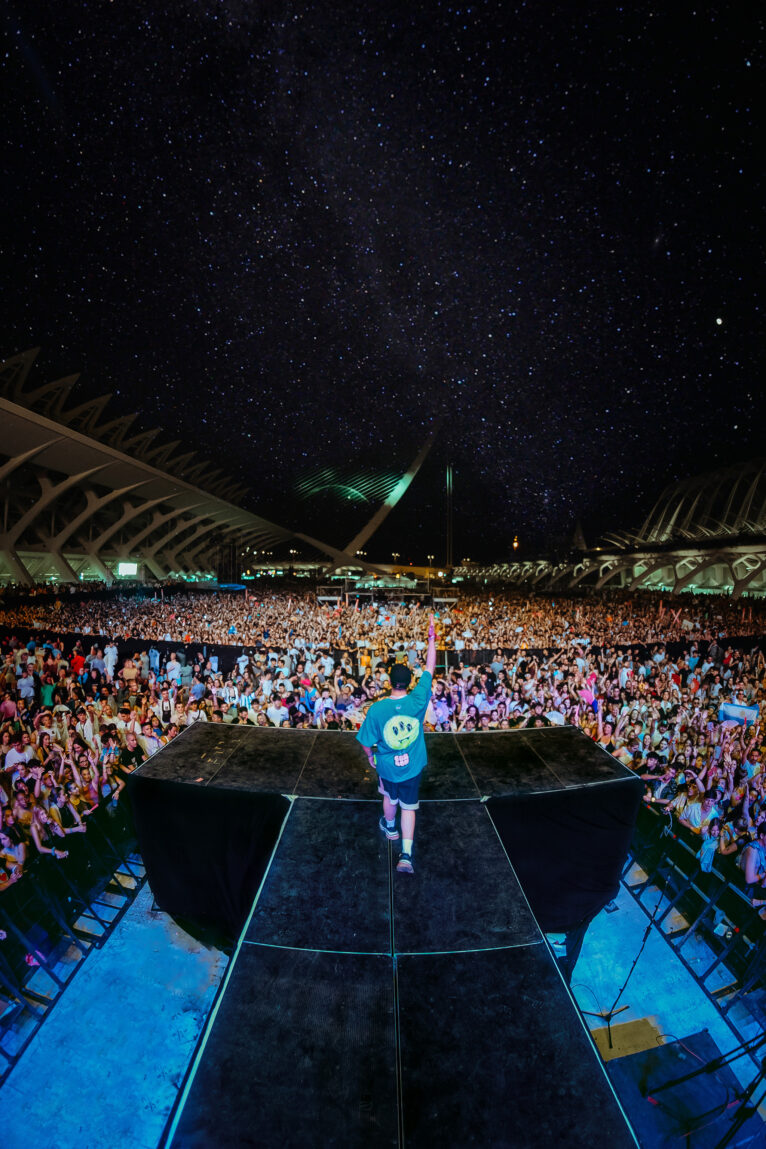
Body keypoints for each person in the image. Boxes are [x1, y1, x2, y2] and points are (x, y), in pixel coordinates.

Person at [357, 614, 436, 874]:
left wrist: (371, 757)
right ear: (410, 682)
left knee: (389, 795)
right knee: (409, 807)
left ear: (390, 682)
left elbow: (366, 742)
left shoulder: (377, 709)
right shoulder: (418, 699)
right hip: (412, 766)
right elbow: (430, 668)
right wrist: (431, 638)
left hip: (388, 767)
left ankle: (390, 828)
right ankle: (406, 855)